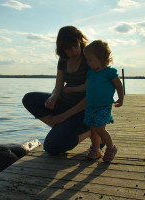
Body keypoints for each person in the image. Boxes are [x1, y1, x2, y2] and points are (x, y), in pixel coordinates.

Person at [22, 26, 91, 155]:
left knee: (51, 148)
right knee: (29, 99)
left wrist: (64, 116)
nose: (73, 51)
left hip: (84, 111)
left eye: (75, 46)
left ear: (80, 41)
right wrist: (53, 97)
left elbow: (92, 97)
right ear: (62, 49)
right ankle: (62, 130)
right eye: (68, 49)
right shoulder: (63, 59)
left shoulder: (90, 57)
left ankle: (91, 132)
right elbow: (58, 86)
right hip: (66, 104)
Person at [64, 40, 124, 162]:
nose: (88, 62)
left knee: (100, 129)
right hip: (91, 106)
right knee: (93, 129)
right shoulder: (91, 73)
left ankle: (111, 148)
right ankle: (96, 150)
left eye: (90, 59)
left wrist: (121, 98)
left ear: (101, 58)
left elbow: (119, 85)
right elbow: (85, 87)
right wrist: (72, 89)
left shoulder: (109, 72)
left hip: (103, 106)